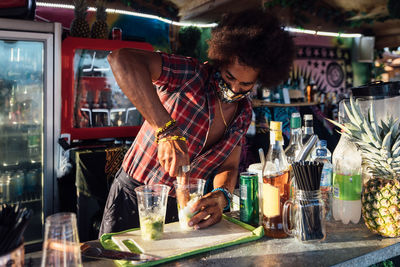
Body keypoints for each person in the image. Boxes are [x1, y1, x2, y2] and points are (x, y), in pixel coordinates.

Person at [99, 8, 295, 236]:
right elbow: (121, 59)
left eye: (245, 85)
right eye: (229, 77)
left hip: (186, 211)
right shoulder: (189, 75)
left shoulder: (244, 114)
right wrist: (165, 130)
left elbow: (229, 166)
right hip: (135, 197)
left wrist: (221, 195)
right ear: (220, 60)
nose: (234, 89)